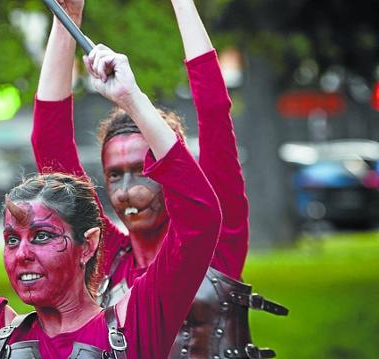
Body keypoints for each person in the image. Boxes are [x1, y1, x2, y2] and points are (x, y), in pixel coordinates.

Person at [0, 23, 222, 358]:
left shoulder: (134, 326)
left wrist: (131, 99)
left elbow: (199, 218)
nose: (22, 253)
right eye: (12, 239)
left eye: (42, 236)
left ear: (87, 245)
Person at [31, 0, 288, 358]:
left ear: (170, 172)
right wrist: (67, 14)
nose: (128, 192)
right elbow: (50, 145)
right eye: (114, 176)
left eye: (144, 171)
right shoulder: (106, 257)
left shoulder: (214, 240)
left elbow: (213, 110)